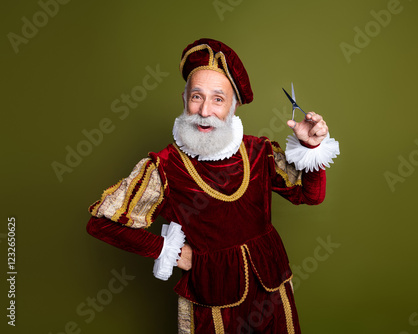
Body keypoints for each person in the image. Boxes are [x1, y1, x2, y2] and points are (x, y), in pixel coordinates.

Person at [86, 38, 340, 333]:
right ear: (184, 99)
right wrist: (168, 250)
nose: (205, 110)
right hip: (212, 298)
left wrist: (312, 147)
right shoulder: (164, 166)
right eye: (197, 96)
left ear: (233, 106)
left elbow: (310, 196)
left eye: (218, 99)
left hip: (272, 287)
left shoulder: (259, 151)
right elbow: (101, 225)